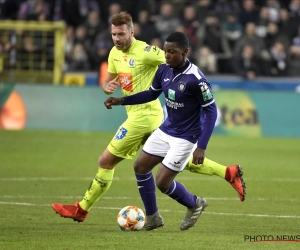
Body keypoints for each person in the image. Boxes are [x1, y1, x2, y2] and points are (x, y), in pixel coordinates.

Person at [52, 12, 245, 224]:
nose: (117, 38)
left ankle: (82, 209)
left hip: (146, 117)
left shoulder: (146, 52)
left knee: (106, 161)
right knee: (174, 160)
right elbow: (109, 81)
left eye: (121, 34)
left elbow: (172, 59)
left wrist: (185, 71)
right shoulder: (114, 54)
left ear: (131, 32)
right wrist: (109, 88)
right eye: (114, 34)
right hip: (140, 114)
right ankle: (228, 173)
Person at [104, 31, 215, 230]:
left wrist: (202, 146)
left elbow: (211, 111)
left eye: (172, 52)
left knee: (162, 182)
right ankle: (153, 217)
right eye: (165, 52)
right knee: (140, 167)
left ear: (185, 52)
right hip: (166, 130)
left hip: (186, 137)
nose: (166, 56)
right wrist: (122, 100)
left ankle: (195, 203)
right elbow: (150, 94)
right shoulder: (163, 70)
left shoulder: (196, 79)